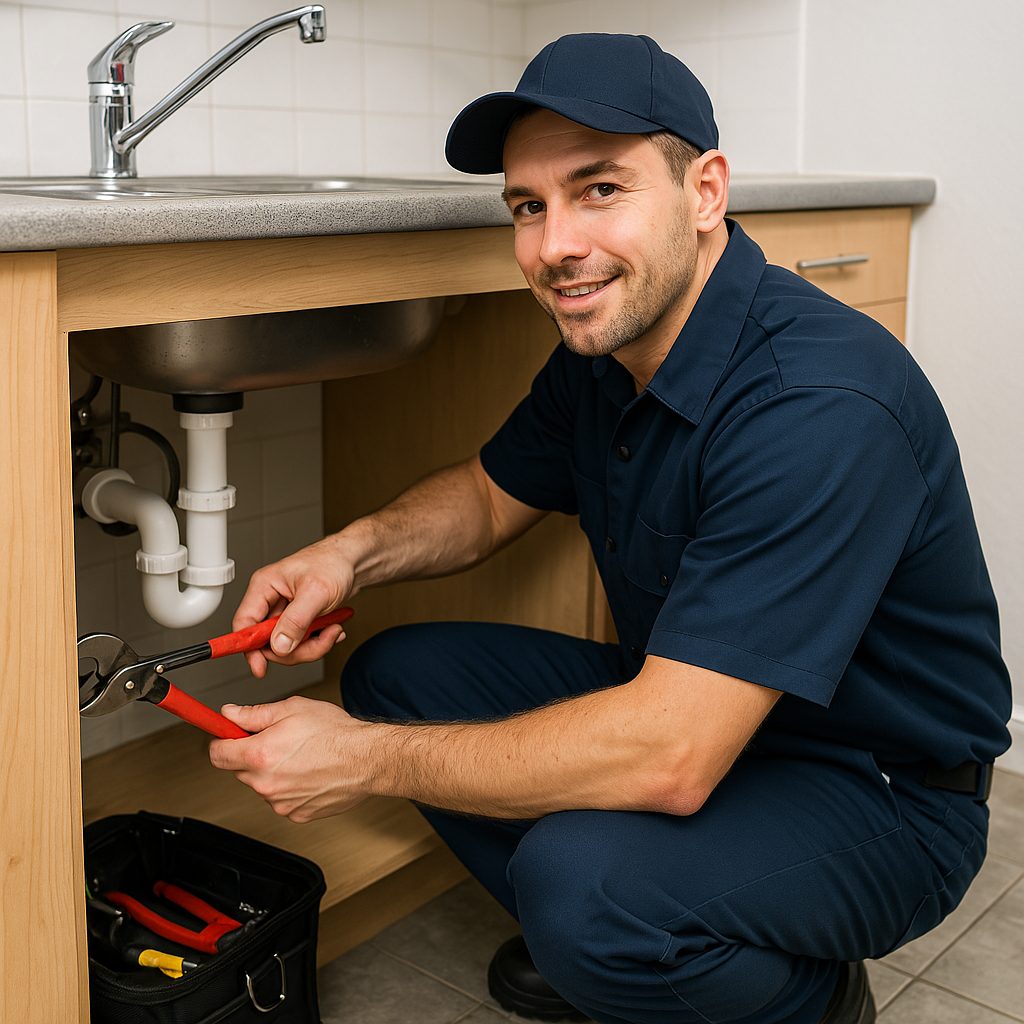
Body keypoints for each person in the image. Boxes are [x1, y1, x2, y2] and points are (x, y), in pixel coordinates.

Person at [208, 33, 1012, 1024]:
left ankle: (793, 991)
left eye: (598, 189)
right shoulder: (611, 346)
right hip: (706, 710)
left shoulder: (816, 403)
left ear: (704, 192)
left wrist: (360, 760)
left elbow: (669, 757)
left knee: (579, 883)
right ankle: (648, 936)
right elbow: (488, 494)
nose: (554, 245)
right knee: (396, 679)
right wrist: (349, 552)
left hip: (880, 789)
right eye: (527, 206)